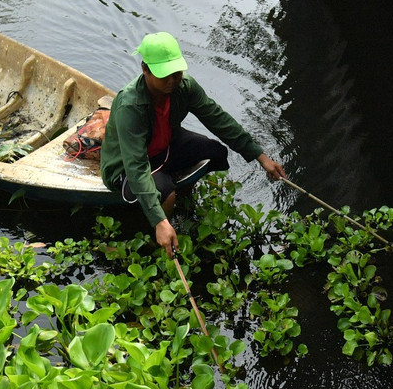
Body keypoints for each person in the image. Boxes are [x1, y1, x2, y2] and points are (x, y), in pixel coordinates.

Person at [100, 32, 286, 257]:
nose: (171, 81)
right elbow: (136, 167)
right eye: (164, 75)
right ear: (145, 69)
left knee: (212, 151)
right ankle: (158, 241)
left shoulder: (184, 87)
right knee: (164, 193)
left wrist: (261, 157)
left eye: (176, 74)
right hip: (126, 165)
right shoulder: (130, 107)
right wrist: (159, 220)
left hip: (164, 145)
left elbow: (218, 119)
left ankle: (183, 201)